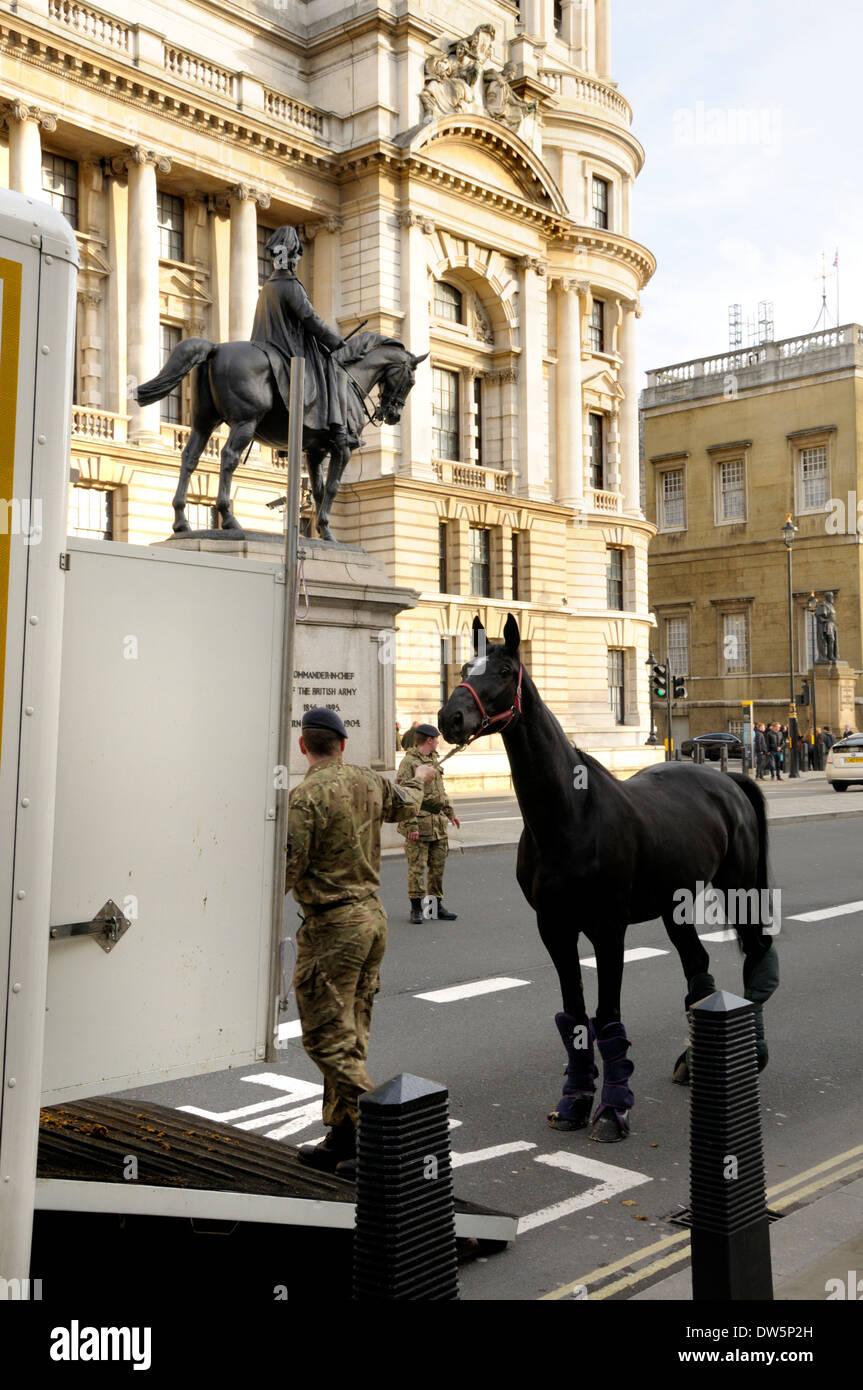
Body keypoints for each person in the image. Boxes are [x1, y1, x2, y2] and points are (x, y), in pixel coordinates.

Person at [284, 707, 436, 1173]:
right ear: (343, 745)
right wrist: (424, 775)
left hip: (333, 928)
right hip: (371, 920)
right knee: (351, 1034)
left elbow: (288, 870)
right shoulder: (369, 781)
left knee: (324, 1040)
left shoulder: (306, 796)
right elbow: (406, 802)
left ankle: (385, 1135)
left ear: (304, 746)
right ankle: (343, 1136)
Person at [250, 225, 356, 450]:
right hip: (287, 349)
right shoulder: (291, 286)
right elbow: (311, 319)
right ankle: (338, 428)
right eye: (297, 256)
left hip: (265, 344)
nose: (298, 260)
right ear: (292, 257)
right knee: (329, 364)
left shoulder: (269, 287)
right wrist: (336, 342)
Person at [396, 723, 460, 923]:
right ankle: (416, 909)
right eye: (436, 738)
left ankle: (434, 909)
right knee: (417, 868)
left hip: (438, 824)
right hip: (419, 823)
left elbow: (441, 791)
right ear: (429, 740)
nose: (439, 742)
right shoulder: (409, 762)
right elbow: (404, 795)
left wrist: (450, 813)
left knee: (437, 868)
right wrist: (411, 825)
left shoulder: (434, 759)